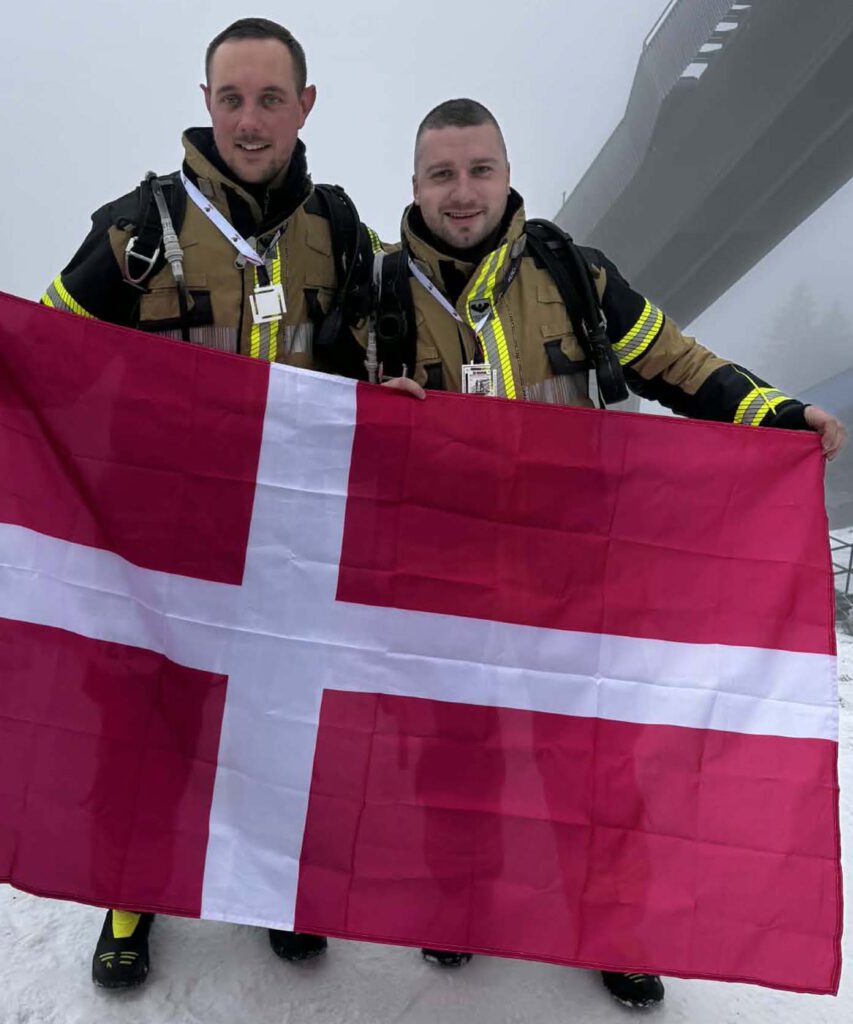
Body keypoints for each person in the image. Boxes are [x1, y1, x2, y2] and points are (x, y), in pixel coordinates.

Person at [0, 16, 419, 992]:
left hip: (285, 540)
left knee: (276, 721)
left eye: (269, 99)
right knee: (147, 721)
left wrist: (397, 385)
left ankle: (275, 886)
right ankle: (130, 893)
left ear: (304, 107)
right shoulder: (135, 232)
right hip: (159, 540)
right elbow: (46, 342)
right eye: (231, 99)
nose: (249, 121)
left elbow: (389, 326)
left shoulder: (339, 230)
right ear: (205, 104)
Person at [368, 97, 847, 1008]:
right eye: (442, 174)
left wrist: (777, 415)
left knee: (592, 759)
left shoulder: (574, 274)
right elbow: (312, 414)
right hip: (446, 575)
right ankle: (456, 900)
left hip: (572, 571)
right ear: (416, 185)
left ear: (507, 175)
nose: (462, 193)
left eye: (479, 170)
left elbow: (677, 363)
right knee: (452, 753)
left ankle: (610, 919)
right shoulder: (376, 293)